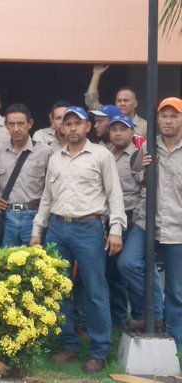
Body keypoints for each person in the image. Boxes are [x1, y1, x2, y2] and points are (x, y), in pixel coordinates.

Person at [30, 106, 126, 374]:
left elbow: (114, 195)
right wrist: (38, 229)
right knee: (59, 289)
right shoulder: (55, 158)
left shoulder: (101, 155)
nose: (72, 128)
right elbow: (47, 198)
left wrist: (116, 229)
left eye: (77, 123)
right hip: (58, 228)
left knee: (96, 291)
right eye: (67, 123)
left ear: (87, 127)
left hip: (89, 228)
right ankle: (69, 345)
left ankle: (99, 350)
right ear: (61, 127)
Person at [121, 97, 182, 350]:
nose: (168, 121)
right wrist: (142, 165)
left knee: (177, 291)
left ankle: (175, 343)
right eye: (163, 116)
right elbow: (133, 172)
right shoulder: (147, 146)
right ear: (157, 119)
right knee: (128, 263)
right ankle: (154, 314)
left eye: (174, 116)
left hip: (178, 226)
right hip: (147, 222)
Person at [103, 115, 151, 330]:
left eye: (123, 129)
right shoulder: (105, 155)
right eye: (114, 129)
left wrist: (139, 219)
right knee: (113, 272)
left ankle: (142, 314)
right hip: (110, 219)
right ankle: (118, 320)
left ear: (133, 132)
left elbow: (145, 189)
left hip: (132, 219)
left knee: (129, 267)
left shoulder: (138, 155)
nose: (118, 133)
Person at [0, 103, 53, 246]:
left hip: (34, 216)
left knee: (34, 264)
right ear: (5, 125)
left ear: (30, 124)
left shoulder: (45, 152)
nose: (16, 129)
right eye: (11, 124)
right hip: (6, 217)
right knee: (5, 263)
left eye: (20, 124)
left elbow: (52, 187)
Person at [85, 65, 148, 137]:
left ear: (135, 103)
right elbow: (91, 101)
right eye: (119, 101)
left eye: (126, 100)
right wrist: (96, 74)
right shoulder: (106, 114)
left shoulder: (144, 126)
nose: (122, 103)